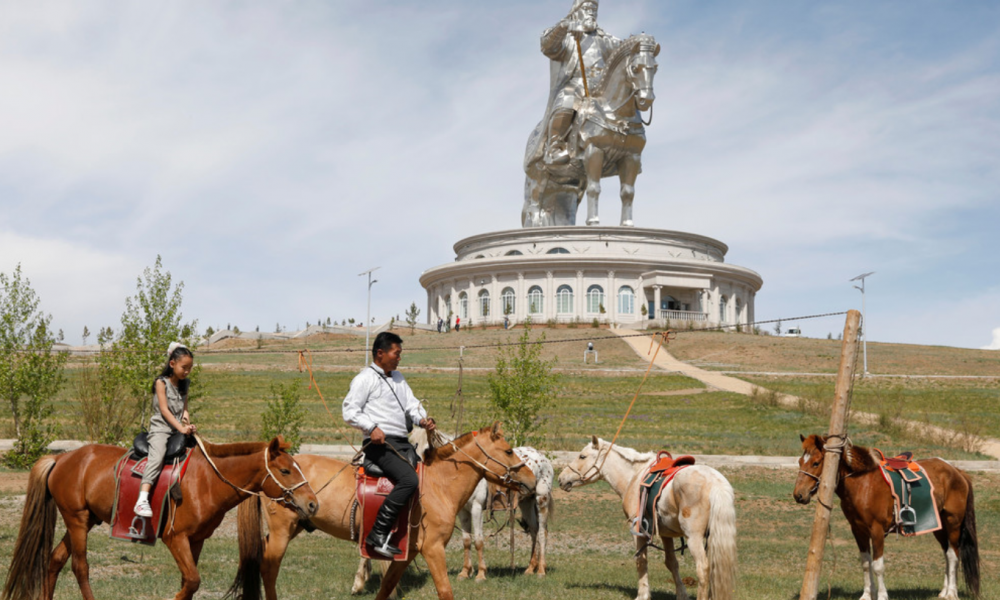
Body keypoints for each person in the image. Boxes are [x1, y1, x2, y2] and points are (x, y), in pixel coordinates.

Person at [343, 331, 436, 558]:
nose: (399, 358)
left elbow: (412, 406)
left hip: (401, 444)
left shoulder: (398, 378)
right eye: (396, 353)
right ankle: (378, 534)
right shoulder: (364, 379)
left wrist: (422, 419)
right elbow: (349, 410)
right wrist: (371, 427)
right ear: (380, 353)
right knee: (409, 479)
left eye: (400, 354)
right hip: (379, 445)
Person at [540, 0, 621, 165]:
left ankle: (628, 145)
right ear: (576, 11)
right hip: (577, 83)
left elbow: (623, 51)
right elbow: (548, 46)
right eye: (586, 8)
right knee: (567, 97)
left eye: (594, 9)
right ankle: (555, 146)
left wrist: (641, 46)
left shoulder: (606, 39)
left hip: (603, 87)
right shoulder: (568, 36)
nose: (591, 12)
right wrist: (564, 27)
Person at [134, 343, 196, 518]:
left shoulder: (185, 385)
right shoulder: (161, 383)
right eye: (184, 367)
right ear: (172, 364)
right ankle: (142, 499)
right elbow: (164, 410)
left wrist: (188, 425)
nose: (187, 371)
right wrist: (180, 429)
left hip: (178, 428)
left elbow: (184, 409)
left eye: (190, 368)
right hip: (161, 429)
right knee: (157, 456)